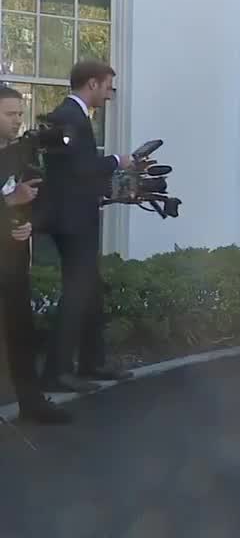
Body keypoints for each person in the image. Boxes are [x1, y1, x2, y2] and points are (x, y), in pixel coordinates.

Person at [37, 61, 134, 394]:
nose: (109, 95)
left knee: (90, 290)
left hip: (77, 216)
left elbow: (70, 171)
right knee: (77, 294)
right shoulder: (68, 117)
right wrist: (117, 162)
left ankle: (93, 361)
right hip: (72, 221)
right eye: (108, 87)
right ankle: (57, 373)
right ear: (92, 84)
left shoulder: (70, 117)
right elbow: (80, 170)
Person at [0, 86, 70, 423]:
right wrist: (9, 203)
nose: (17, 121)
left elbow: (38, 198)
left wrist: (30, 224)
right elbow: (13, 198)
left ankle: (32, 403)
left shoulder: (18, 154)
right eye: (9, 114)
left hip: (12, 262)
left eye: (18, 114)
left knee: (21, 333)